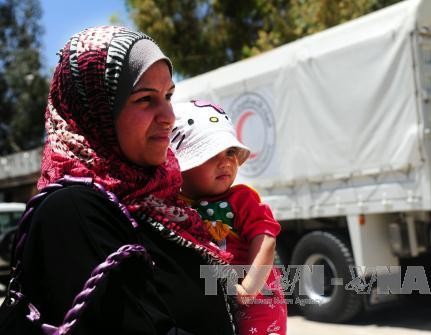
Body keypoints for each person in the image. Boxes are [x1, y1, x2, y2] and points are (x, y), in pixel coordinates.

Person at [17, 26, 236, 335]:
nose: (169, 116)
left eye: (169, 96)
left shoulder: (164, 202)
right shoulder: (73, 211)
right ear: (96, 110)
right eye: (146, 99)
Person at [170, 100, 287, 335]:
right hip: (217, 299)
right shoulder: (172, 206)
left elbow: (266, 239)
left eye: (230, 152)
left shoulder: (242, 199)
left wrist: (249, 288)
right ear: (182, 165)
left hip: (257, 301)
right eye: (211, 154)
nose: (225, 162)